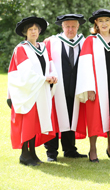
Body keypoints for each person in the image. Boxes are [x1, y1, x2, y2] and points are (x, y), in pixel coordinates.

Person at [75, 9, 110, 163]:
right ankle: (92, 149)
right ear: (96, 23)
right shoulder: (90, 41)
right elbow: (85, 66)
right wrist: (89, 88)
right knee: (94, 117)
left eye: (107, 20)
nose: (104, 23)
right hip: (97, 87)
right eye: (101, 21)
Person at [8, 16, 58, 166]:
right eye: (30, 29)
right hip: (27, 91)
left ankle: (33, 153)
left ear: (40, 31)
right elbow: (25, 72)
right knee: (27, 123)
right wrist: (44, 78)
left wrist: (53, 76)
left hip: (40, 90)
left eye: (36, 29)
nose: (34, 32)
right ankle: (24, 154)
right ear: (25, 32)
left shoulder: (42, 47)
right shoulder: (21, 48)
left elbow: (50, 65)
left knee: (36, 122)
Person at [43, 14, 87, 161]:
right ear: (62, 27)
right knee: (54, 118)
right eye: (67, 26)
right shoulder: (51, 42)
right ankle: (51, 152)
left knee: (71, 116)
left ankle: (69, 149)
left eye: (73, 26)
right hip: (56, 88)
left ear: (78, 27)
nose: (70, 29)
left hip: (75, 87)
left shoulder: (84, 42)